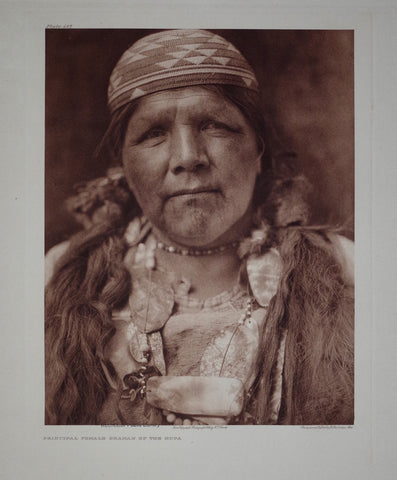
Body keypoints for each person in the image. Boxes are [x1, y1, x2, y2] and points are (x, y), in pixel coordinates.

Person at [45, 29, 354, 425]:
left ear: (259, 149)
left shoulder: (346, 271)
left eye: (214, 125)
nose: (188, 157)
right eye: (154, 133)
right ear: (122, 163)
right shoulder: (58, 280)